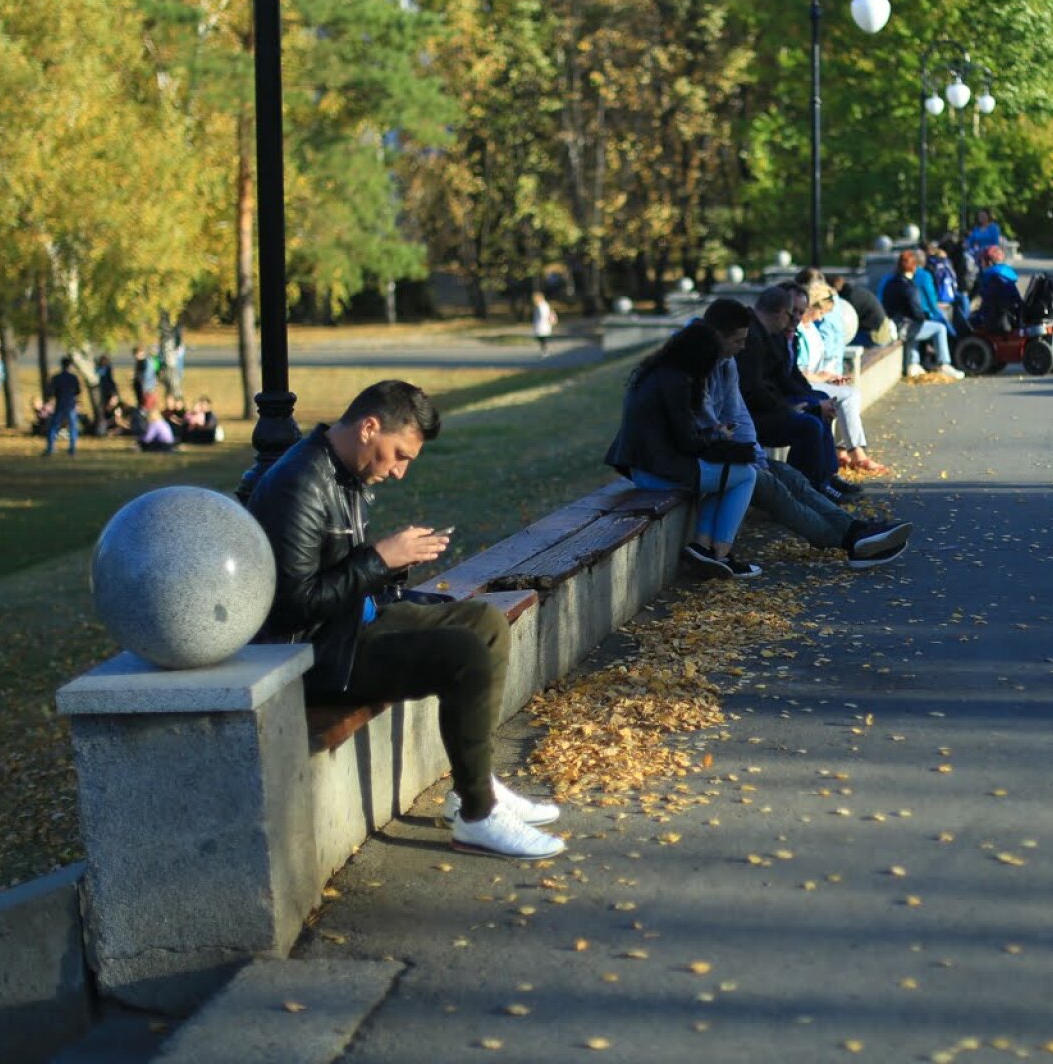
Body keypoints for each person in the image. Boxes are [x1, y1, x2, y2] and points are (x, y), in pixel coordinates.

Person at [248, 379, 565, 860]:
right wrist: (378, 559)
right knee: (463, 654)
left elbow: (338, 573)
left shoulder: (342, 470)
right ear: (369, 428)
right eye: (398, 455)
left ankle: (473, 786)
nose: (399, 472)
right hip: (314, 657)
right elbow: (293, 607)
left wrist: (392, 563)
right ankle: (478, 816)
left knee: (484, 624)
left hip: (347, 625)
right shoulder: (299, 485)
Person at [698, 299, 912, 567]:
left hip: (726, 453)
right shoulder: (695, 365)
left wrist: (755, 456)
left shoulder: (726, 361)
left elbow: (737, 413)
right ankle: (849, 541)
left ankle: (855, 529)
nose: (743, 347)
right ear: (718, 335)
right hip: (708, 457)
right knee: (776, 489)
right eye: (738, 341)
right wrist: (740, 453)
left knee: (792, 477)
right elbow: (702, 423)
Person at [606, 323, 761, 579]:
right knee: (746, 475)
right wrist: (718, 435)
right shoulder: (676, 381)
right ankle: (721, 553)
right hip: (657, 473)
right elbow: (687, 442)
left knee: (729, 477)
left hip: (647, 467)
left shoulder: (658, 373)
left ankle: (703, 546)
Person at [736, 285, 854, 498]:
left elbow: (787, 377)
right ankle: (804, 490)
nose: (795, 319)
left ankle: (825, 478)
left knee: (819, 404)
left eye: (801, 312)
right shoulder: (754, 336)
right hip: (751, 416)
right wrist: (794, 408)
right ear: (781, 312)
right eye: (793, 313)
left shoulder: (769, 333)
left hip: (767, 405)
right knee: (810, 424)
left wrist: (812, 400)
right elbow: (754, 389)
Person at [795, 280, 886, 475]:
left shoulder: (811, 327)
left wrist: (829, 377)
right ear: (812, 306)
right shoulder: (798, 331)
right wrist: (822, 378)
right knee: (848, 396)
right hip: (804, 384)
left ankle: (843, 450)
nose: (821, 318)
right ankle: (856, 453)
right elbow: (798, 371)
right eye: (821, 312)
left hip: (814, 380)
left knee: (848, 393)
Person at [880, 251, 965, 380]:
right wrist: (925, 316)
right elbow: (916, 312)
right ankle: (944, 364)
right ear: (914, 267)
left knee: (916, 329)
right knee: (939, 328)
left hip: (893, 325)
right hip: (904, 328)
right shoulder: (909, 287)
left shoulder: (890, 283)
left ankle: (912, 364)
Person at [827, 273, 893, 347]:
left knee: (838, 340)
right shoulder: (854, 291)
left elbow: (844, 325)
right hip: (882, 330)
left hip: (876, 335)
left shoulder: (849, 300)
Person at [972, 245, 1023, 332]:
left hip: (999, 323)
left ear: (989, 262)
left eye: (982, 261)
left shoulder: (993, 278)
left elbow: (987, 306)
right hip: (1011, 318)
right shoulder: (1004, 275)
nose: (981, 264)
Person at [44, 357, 83, 456]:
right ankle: (72, 448)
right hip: (70, 405)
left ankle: (50, 447)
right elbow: (78, 391)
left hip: (60, 404)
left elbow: (51, 392)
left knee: (54, 426)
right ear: (70, 366)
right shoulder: (73, 378)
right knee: (73, 427)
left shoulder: (56, 378)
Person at [93, 354, 122, 437]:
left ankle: (106, 429)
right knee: (106, 413)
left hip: (107, 393)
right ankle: (104, 429)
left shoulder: (106, 370)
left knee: (110, 413)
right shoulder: (105, 370)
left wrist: (113, 396)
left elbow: (109, 382)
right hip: (106, 394)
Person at [531, 290, 555, 357]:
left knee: (542, 339)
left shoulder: (541, 305)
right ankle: (544, 351)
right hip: (543, 325)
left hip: (542, 325)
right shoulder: (543, 304)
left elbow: (542, 316)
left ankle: (545, 351)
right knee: (542, 339)